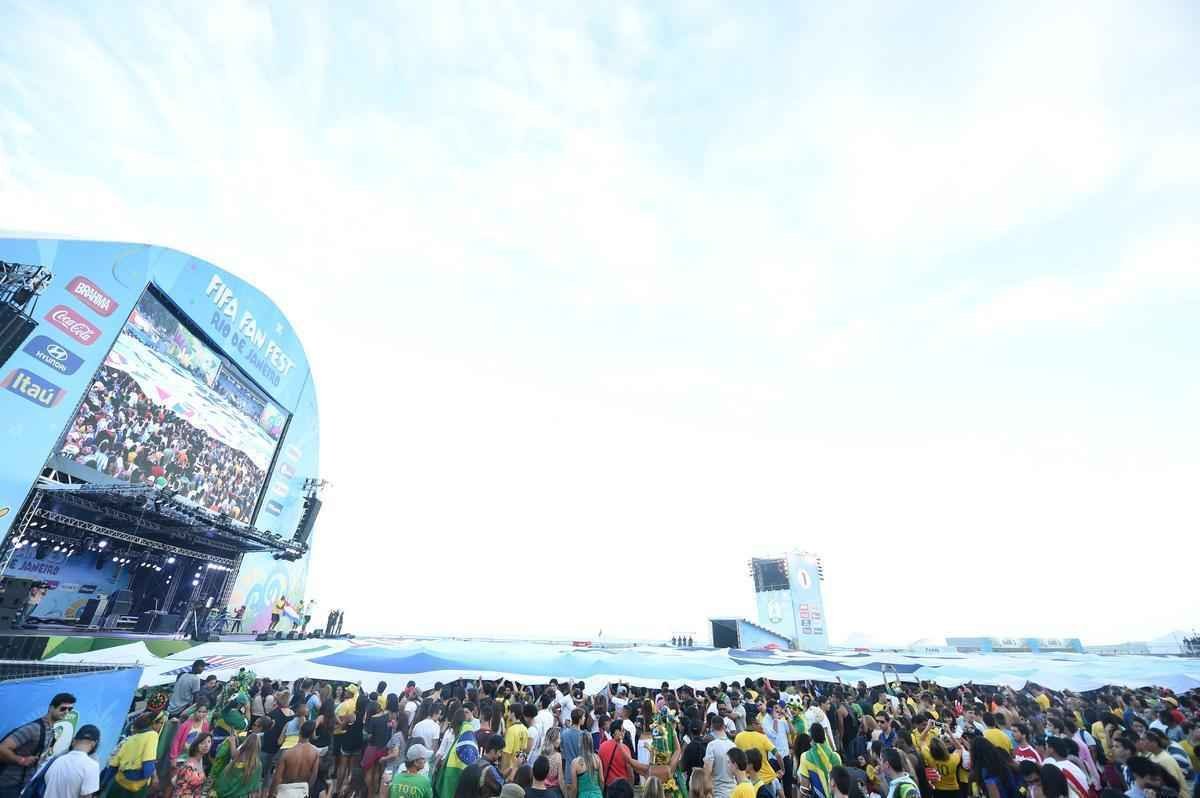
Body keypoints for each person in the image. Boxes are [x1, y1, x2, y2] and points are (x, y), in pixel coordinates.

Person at [0, 692, 76, 798]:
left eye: (70, 709)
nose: (66, 712)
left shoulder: (50, 730)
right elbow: (2, 748)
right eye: (63, 708)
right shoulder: (34, 729)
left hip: (23, 786)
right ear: (51, 708)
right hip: (8, 786)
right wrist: (21, 760)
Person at [32, 724, 101, 798]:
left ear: (74, 740)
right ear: (94, 743)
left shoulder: (56, 760)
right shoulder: (92, 766)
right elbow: (86, 796)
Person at [107, 712, 165, 798]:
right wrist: (152, 779)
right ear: (154, 723)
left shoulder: (131, 737)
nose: (161, 726)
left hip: (118, 783)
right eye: (161, 723)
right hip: (134, 788)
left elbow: (113, 765)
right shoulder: (152, 735)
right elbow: (148, 766)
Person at [270, 721, 320, 798]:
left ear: (300, 731)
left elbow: (277, 777)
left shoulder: (287, 753)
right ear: (312, 733)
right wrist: (307, 790)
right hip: (302, 789)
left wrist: (271, 794)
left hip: (285, 790)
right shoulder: (315, 753)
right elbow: (314, 776)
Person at [214, 725, 264, 798]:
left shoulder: (237, 757)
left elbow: (223, 781)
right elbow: (255, 786)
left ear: (246, 743)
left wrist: (232, 741)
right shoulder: (258, 764)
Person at [798, 723, 842, 798]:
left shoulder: (805, 757)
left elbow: (804, 787)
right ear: (824, 737)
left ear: (811, 739)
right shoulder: (836, 756)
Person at [704, 713, 737, 798]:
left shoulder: (711, 745)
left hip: (718, 791)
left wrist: (706, 791)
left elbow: (708, 771)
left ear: (711, 727)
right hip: (733, 790)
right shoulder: (733, 745)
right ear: (724, 727)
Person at [171, 732, 211, 798]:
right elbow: (180, 789)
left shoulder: (202, 761)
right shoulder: (189, 765)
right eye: (202, 743)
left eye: (209, 742)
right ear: (196, 744)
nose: (206, 745)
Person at [570, 733, 603, 798]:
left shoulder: (575, 763)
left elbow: (574, 788)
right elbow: (602, 780)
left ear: (580, 744)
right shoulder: (597, 758)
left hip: (583, 795)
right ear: (591, 743)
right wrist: (599, 792)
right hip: (597, 795)